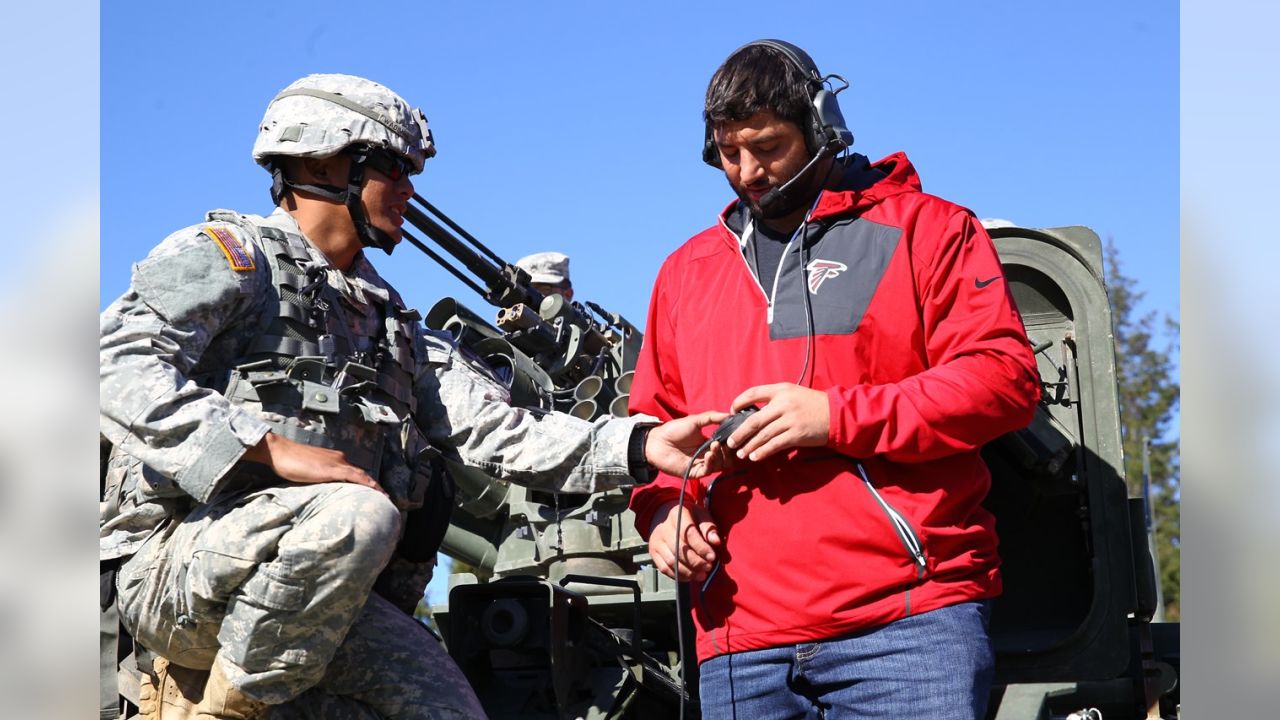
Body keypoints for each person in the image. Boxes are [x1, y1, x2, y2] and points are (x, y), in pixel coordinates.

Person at [99, 73, 726, 720]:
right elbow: (113, 360)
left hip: (317, 596)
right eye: (392, 167)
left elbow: (499, 432)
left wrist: (642, 443)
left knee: (449, 706)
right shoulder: (234, 261)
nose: (408, 189)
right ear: (319, 161)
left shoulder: (390, 325)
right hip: (180, 576)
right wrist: (269, 447)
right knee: (355, 515)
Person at [627, 40, 1041, 719]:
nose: (747, 172)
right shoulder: (684, 274)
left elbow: (1003, 381)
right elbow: (654, 430)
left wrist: (836, 417)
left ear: (823, 125)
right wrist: (666, 511)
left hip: (905, 629)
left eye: (767, 147)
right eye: (729, 153)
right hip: (737, 641)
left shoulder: (927, 231)